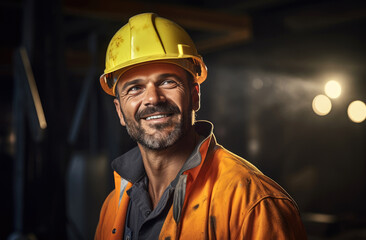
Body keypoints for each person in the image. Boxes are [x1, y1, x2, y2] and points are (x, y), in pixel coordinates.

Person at [95, 13, 307, 240]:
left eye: (167, 82)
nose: (153, 99)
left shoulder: (251, 202)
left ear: (195, 96)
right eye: (135, 88)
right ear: (119, 110)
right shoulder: (113, 206)